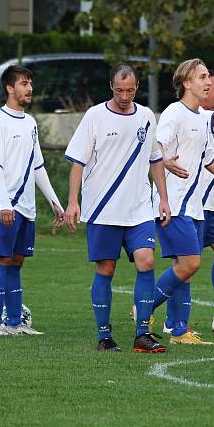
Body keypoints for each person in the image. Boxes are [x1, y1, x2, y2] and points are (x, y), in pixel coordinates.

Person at [64, 64, 170, 352]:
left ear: (137, 87)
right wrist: (73, 202)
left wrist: (163, 198)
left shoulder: (147, 117)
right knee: (106, 268)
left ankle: (142, 334)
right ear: (111, 86)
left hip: (138, 209)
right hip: (102, 210)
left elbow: (155, 160)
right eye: (120, 90)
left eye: (131, 90)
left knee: (147, 260)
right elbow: (77, 162)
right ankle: (104, 336)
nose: (125, 95)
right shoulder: (95, 116)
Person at [148, 58, 214, 345]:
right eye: (201, 77)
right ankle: (145, 307)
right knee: (189, 264)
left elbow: (210, 161)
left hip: (194, 206)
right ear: (187, 83)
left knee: (185, 265)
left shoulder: (201, 118)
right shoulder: (174, 113)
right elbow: (156, 147)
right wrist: (164, 160)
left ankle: (178, 331)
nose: (207, 82)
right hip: (172, 204)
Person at [0, 64, 64, 336]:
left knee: (16, 261)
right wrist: (5, 203)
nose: (29, 89)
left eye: (30, 83)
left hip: (26, 207)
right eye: (24, 83)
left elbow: (37, 165)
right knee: (0, 260)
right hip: (4, 204)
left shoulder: (30, 123)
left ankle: (15, 322)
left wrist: (54, 200)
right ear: (9, 88)